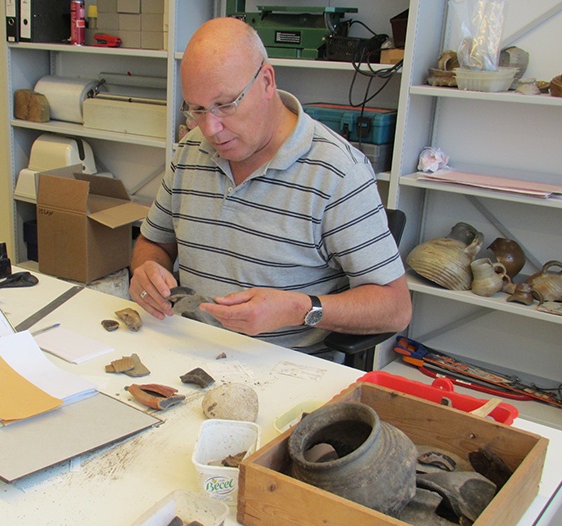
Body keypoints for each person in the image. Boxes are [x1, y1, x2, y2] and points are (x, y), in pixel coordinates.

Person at [129, 17, 411, 354]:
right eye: (198, 110)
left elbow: (395, 308)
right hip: (187, 347)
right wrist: (147, 270)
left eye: (226, 105)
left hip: (285, 370)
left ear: (266, 81)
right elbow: (153, 242)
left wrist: (299, 309)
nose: (211, 129)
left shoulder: (337, 172)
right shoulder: (190, 150)